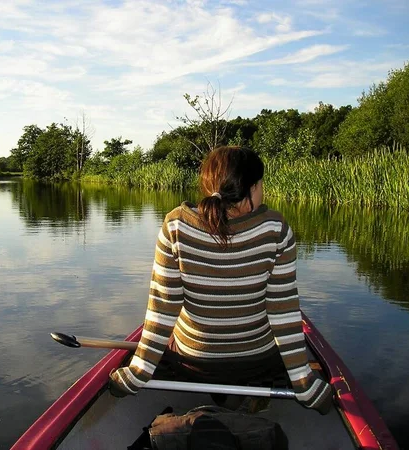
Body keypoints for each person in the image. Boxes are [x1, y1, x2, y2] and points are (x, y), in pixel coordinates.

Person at [109, 146, 332, 414]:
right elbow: (282, 310)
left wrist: (138, 372)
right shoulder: (276, 229)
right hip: (257, 362)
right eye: (261, 184)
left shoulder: (175, 225)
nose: (263, 191)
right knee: (272, 354)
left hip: (193, 363)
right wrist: (304, 382)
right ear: (251, 188)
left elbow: (162, 308)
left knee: (172, 343)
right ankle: (244, 398)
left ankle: (220, 395)